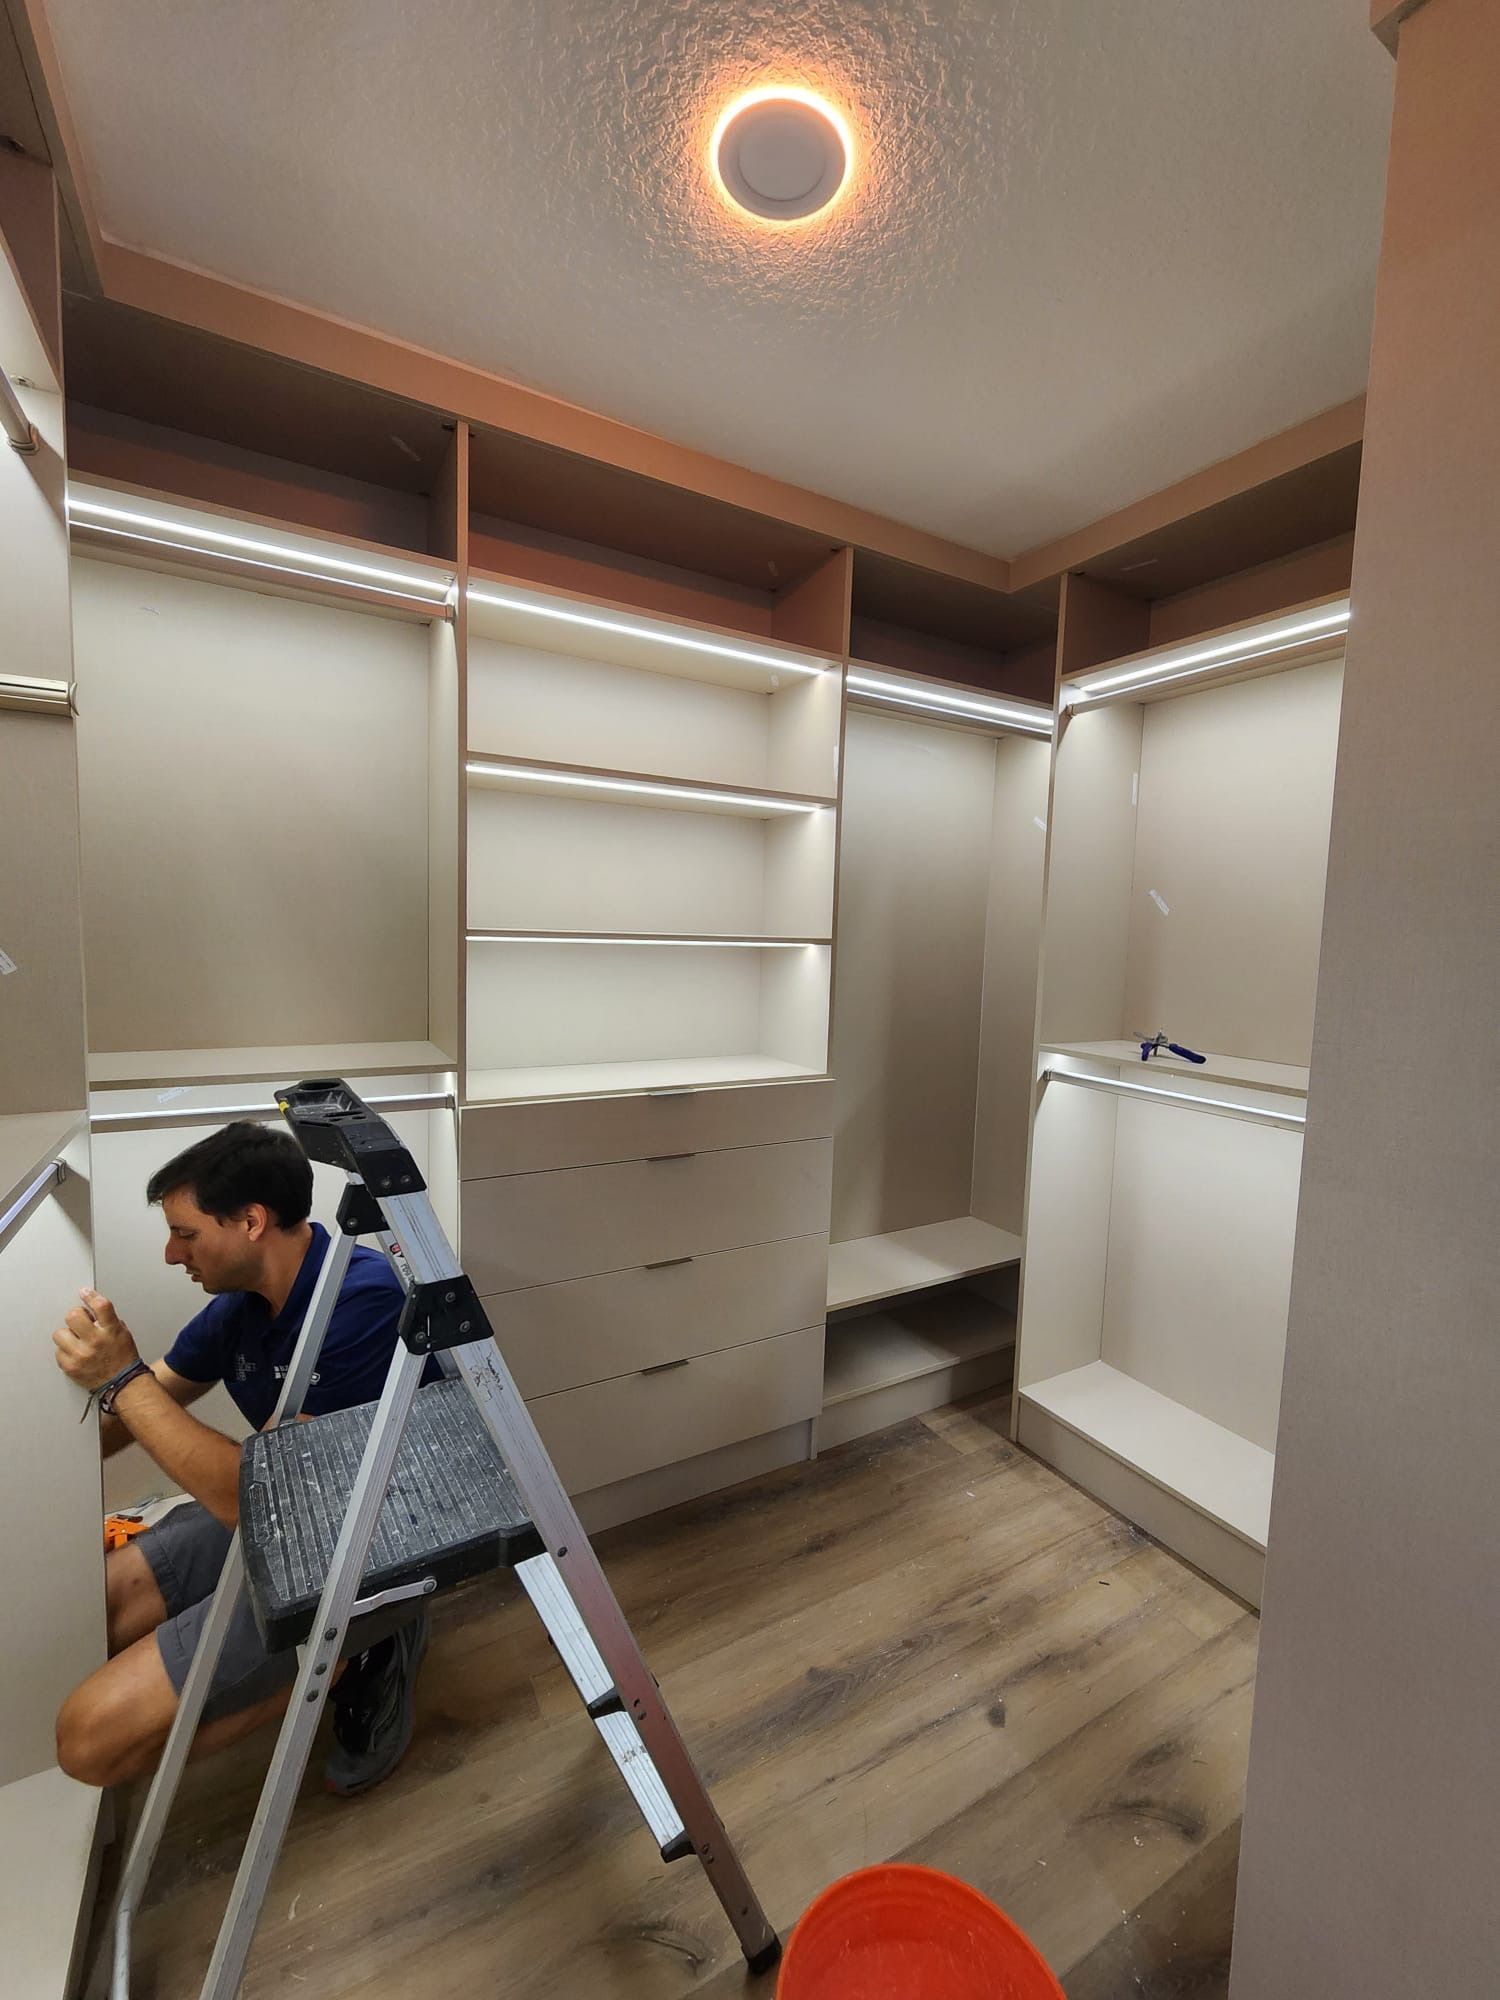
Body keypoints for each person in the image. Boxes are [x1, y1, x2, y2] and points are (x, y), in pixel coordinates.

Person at [52, 1121, 433, 1796]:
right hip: (280, 1508)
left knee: (88, 1743)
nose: (172, 1253)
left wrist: (122, 1378)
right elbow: (147, 1405)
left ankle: (360, 1649)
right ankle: (330, 1651)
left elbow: (256, 1497)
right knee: (90, 1612)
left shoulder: (365, 1303)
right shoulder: (241, 1307)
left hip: (373, 1537)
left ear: (251, 1222)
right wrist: (45, 1457)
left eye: (186, 1234)